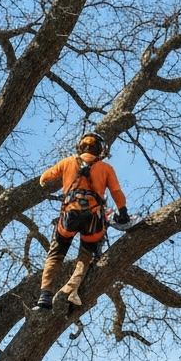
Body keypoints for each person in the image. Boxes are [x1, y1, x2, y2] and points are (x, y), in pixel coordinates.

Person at [33, 132, 129, 311]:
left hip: (68, 219)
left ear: (80, 147)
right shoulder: (106, 168)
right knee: (85, 257)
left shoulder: (68, 161)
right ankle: (71, 289)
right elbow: (116, 192)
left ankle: (45, 297)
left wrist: (52, 183)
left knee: (55, 254)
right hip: (93, 221)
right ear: (99, 150)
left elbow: (44, 178)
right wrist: (123, 213)